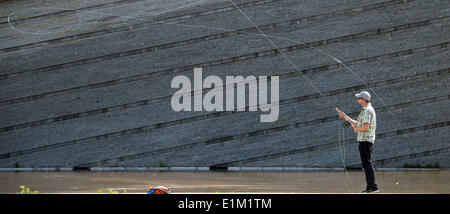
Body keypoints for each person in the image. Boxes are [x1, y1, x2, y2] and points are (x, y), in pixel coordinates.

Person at [338, 91, 379, 193]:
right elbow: (356, 124)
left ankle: (372, 187)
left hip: (365, 141)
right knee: (366, 164)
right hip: (364, 141)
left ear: (363, 99)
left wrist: (357, 130)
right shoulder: (365, 110)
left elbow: (365, 127)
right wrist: (345, 117)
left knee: (367, 164)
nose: (357, 100)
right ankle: (371, 187)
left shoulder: (367, 111)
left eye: (359, 98)